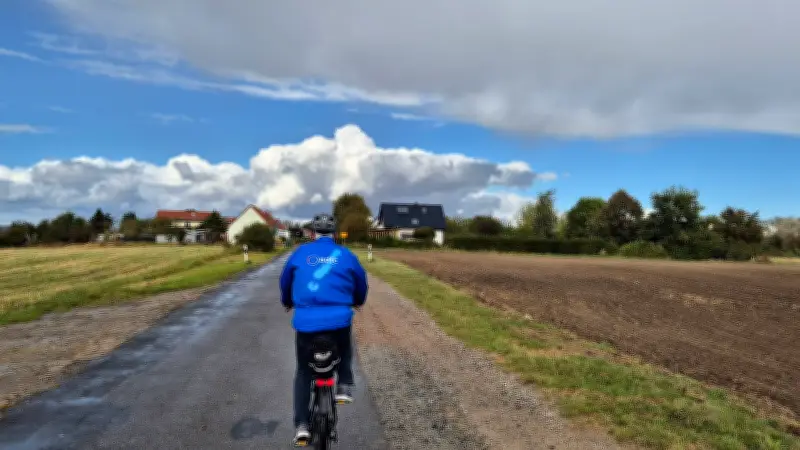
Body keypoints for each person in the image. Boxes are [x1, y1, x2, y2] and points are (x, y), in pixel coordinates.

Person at [279, 212, 368, 446]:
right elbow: (361, 282)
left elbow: (285, 281)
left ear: (312, 234)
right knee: (345, 344)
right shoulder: (345, 255)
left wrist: (287, 301)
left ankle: (301, 425)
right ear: (335, 234)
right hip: (338, 319)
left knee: (303, 371)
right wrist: (358, 300)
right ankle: (344, 384)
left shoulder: (300, 253)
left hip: (306, 322)